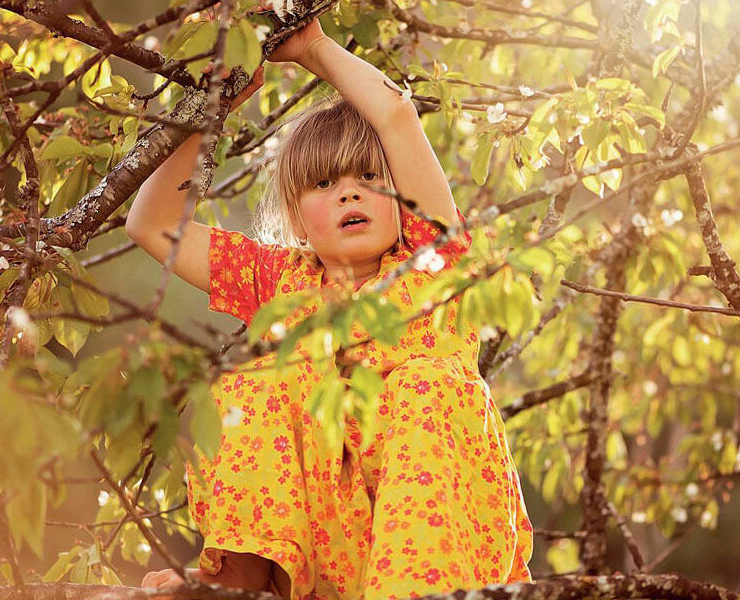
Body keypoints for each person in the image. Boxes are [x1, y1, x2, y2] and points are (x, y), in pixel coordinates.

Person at [126, 9, 533, 600]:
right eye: (323, 183)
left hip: (439, 544)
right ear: (296, 218)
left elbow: (394, 116)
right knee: (254, 380)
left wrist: (312, 46)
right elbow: (153, 224)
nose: (349, 190)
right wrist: (215, 107)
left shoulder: (434, 260)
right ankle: (243, 577)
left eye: (371, 176)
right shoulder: (281, 283)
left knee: (426, 384)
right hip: (329, 554)